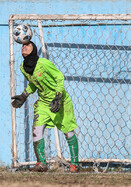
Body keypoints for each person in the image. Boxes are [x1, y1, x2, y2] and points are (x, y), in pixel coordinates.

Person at [11, 41, 79, 173]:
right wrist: (24, 95)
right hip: (43, 102)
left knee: (68, 131)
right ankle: (41, 163)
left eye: (28, 45)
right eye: (22, 45)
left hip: (59, 100)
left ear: (34, 49)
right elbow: (34, 83)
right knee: (37, 129)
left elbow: (59, 76)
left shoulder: (43, 63)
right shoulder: (22, 67)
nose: (24, 47)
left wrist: (58, 95)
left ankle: (74, 164)